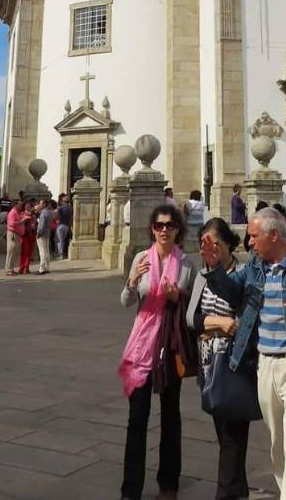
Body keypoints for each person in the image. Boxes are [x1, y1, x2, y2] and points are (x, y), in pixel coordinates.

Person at [201, 206, 286, 500]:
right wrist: (214, 269)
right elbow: (232, 292)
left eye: (253, 236)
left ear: (273, 235)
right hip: (264, 366)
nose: (249, 242)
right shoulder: (253, 269)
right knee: (279, 447)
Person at [119, 203, 195, 500]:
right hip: (141, 347)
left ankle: (168, 485)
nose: (164, 229)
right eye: (159, 225)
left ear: (178, 229)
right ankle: (130, 490)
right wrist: (132, 280)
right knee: (136, 419)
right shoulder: (141, 258)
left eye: (170, 224)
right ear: (152, 228)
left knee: (170, 417)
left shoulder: (187, 264)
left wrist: (178, 296)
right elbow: (126, 300)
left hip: (170, 346)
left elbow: (192, 306)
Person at [186, 217, 251, 500]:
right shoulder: (202, 275)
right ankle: (239, 489)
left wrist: (222, 325)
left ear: (228, 244)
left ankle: (225, 493)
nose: (210, 249)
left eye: (215, 244)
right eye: (205, 243)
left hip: (235, 362)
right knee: (224, 432)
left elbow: (244, 317)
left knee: (231, 435)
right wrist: (218, 323)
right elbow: (191, 318)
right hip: (209, 364)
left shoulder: (244, 274)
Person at [5, 200, 27, 276]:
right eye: (20, 205)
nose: (21, 206)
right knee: (11, 252)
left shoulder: (17, 213)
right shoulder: (12, 213)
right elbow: (12, 224)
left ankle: (11, 268)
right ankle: (8, 270)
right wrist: (22, 221)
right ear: (15, 205)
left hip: (17, 234)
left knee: (14, 253)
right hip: (13, 234)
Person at [35, 198, 53, 275]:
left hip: (42, 234)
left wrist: (38, 233)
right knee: (47, 251)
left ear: (44, 204)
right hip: (47, 233)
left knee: (42, 252)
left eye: (41, 204)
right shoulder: (49, 213)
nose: (39, 205)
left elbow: (41, 226)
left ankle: (41, 269)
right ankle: (47, 267)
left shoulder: (43, 214)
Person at [19, 201, 37, 274]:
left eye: (29, 205)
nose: (28, 206)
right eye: (26, 205)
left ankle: (27, 267)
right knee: (24, 252)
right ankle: (22, 268)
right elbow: (20, 223)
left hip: (32, 234)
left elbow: (35, 223)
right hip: (25, 234)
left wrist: (34, 222)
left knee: (30, 252)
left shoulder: (33, 214)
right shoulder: (22, 214)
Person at [56, 193, 72, 258]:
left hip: (61, 225)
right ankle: (62, 253)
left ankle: (60, 254)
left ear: (62, 201)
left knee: (59, 240)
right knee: (63, 240)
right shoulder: (70, 208)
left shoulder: (61, 208)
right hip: (67, 225)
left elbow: (55, 214)